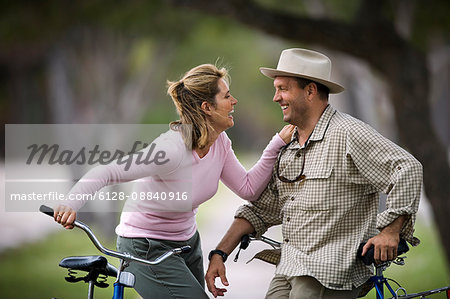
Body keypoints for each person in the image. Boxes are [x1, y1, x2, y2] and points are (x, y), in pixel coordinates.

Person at [53, 63, 295, 299]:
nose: (234, 102)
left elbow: (248, 188)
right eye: (227, 96)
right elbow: (108, 172)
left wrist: (276, 145)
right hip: (145, 246)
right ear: (207, 107)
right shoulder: (171, 149)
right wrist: (71, 204)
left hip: (187, 243)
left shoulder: (220, 142)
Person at [205, 48, 423, 299]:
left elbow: (407, 167)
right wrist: (219, 254)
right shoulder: (289, 145)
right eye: (276, 89)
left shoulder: (348, 133)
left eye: (283, 89)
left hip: (328, 272)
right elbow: (261, 210)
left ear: (310, 91)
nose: (276, 97)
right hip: (288, 267)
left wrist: (390, 231)